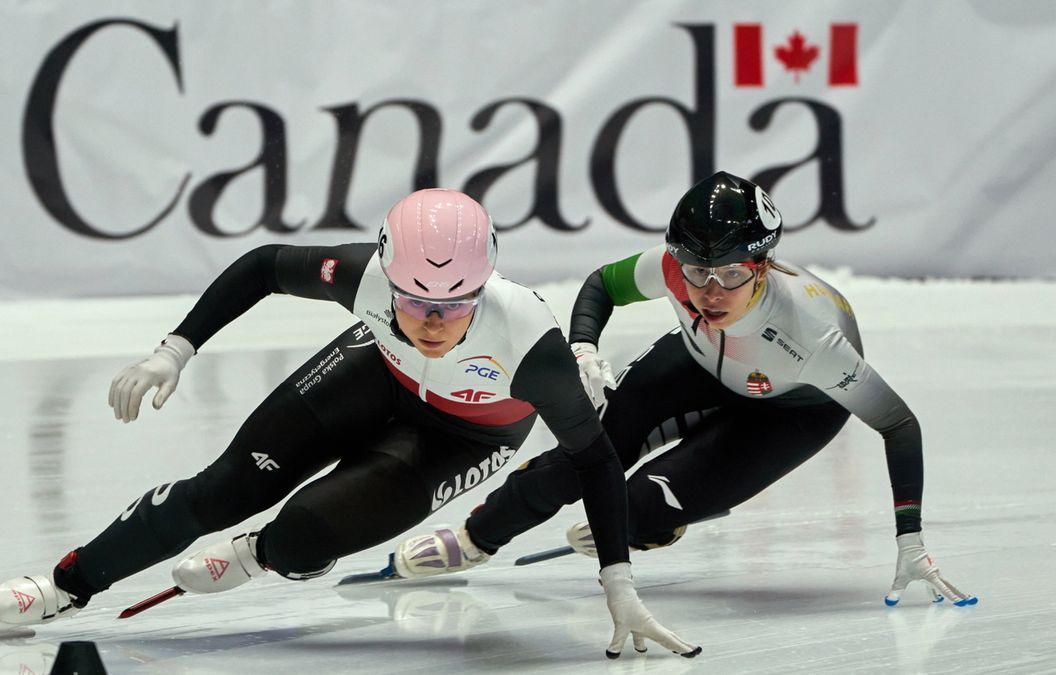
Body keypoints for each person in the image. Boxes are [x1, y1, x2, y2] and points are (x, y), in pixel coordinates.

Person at [0, 188, 700, 659]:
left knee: (306, 533)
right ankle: (66, 581)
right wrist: (175, 349)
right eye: (415, 302)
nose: (435, 322)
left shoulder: (530, 348)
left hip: (467, 434)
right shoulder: (363, 276)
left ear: (484, 287)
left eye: (455, 304)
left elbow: (599, 460)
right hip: (372, 370)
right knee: (218, 491)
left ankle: (269, 550)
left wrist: (617, 580)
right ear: (388, 275)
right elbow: (260, 266)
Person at [392, 173, 975, 621]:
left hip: (793, 409)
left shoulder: (812, 336)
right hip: (697, 363)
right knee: (581, 456)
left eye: (730, 274)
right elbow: (600, 285)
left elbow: (899, 425)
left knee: (637, 507)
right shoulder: (676, 270)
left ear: (763, 265)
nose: (710, 292)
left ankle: (656, 517)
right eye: (697, 271)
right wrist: (583, 349)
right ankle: (475, 538)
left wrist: (911, 539)